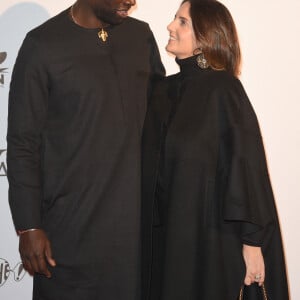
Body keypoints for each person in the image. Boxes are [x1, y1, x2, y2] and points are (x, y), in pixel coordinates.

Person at [7, 0, 165, 299]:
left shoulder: (140, 36)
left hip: (132, 230)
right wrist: (28, 226)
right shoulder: (42, 45)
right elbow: (22, 142)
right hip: (68, 231)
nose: (131, 2)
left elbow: (163, 115)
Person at [142, 0, 289, 299]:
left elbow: (245, 166)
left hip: (211, 243)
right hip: (165, 244)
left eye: (182, 21)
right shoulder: (160, 91)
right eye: (174, 19)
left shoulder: (224, 89)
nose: (170, 26)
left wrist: (252, 244)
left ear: (206, 35)